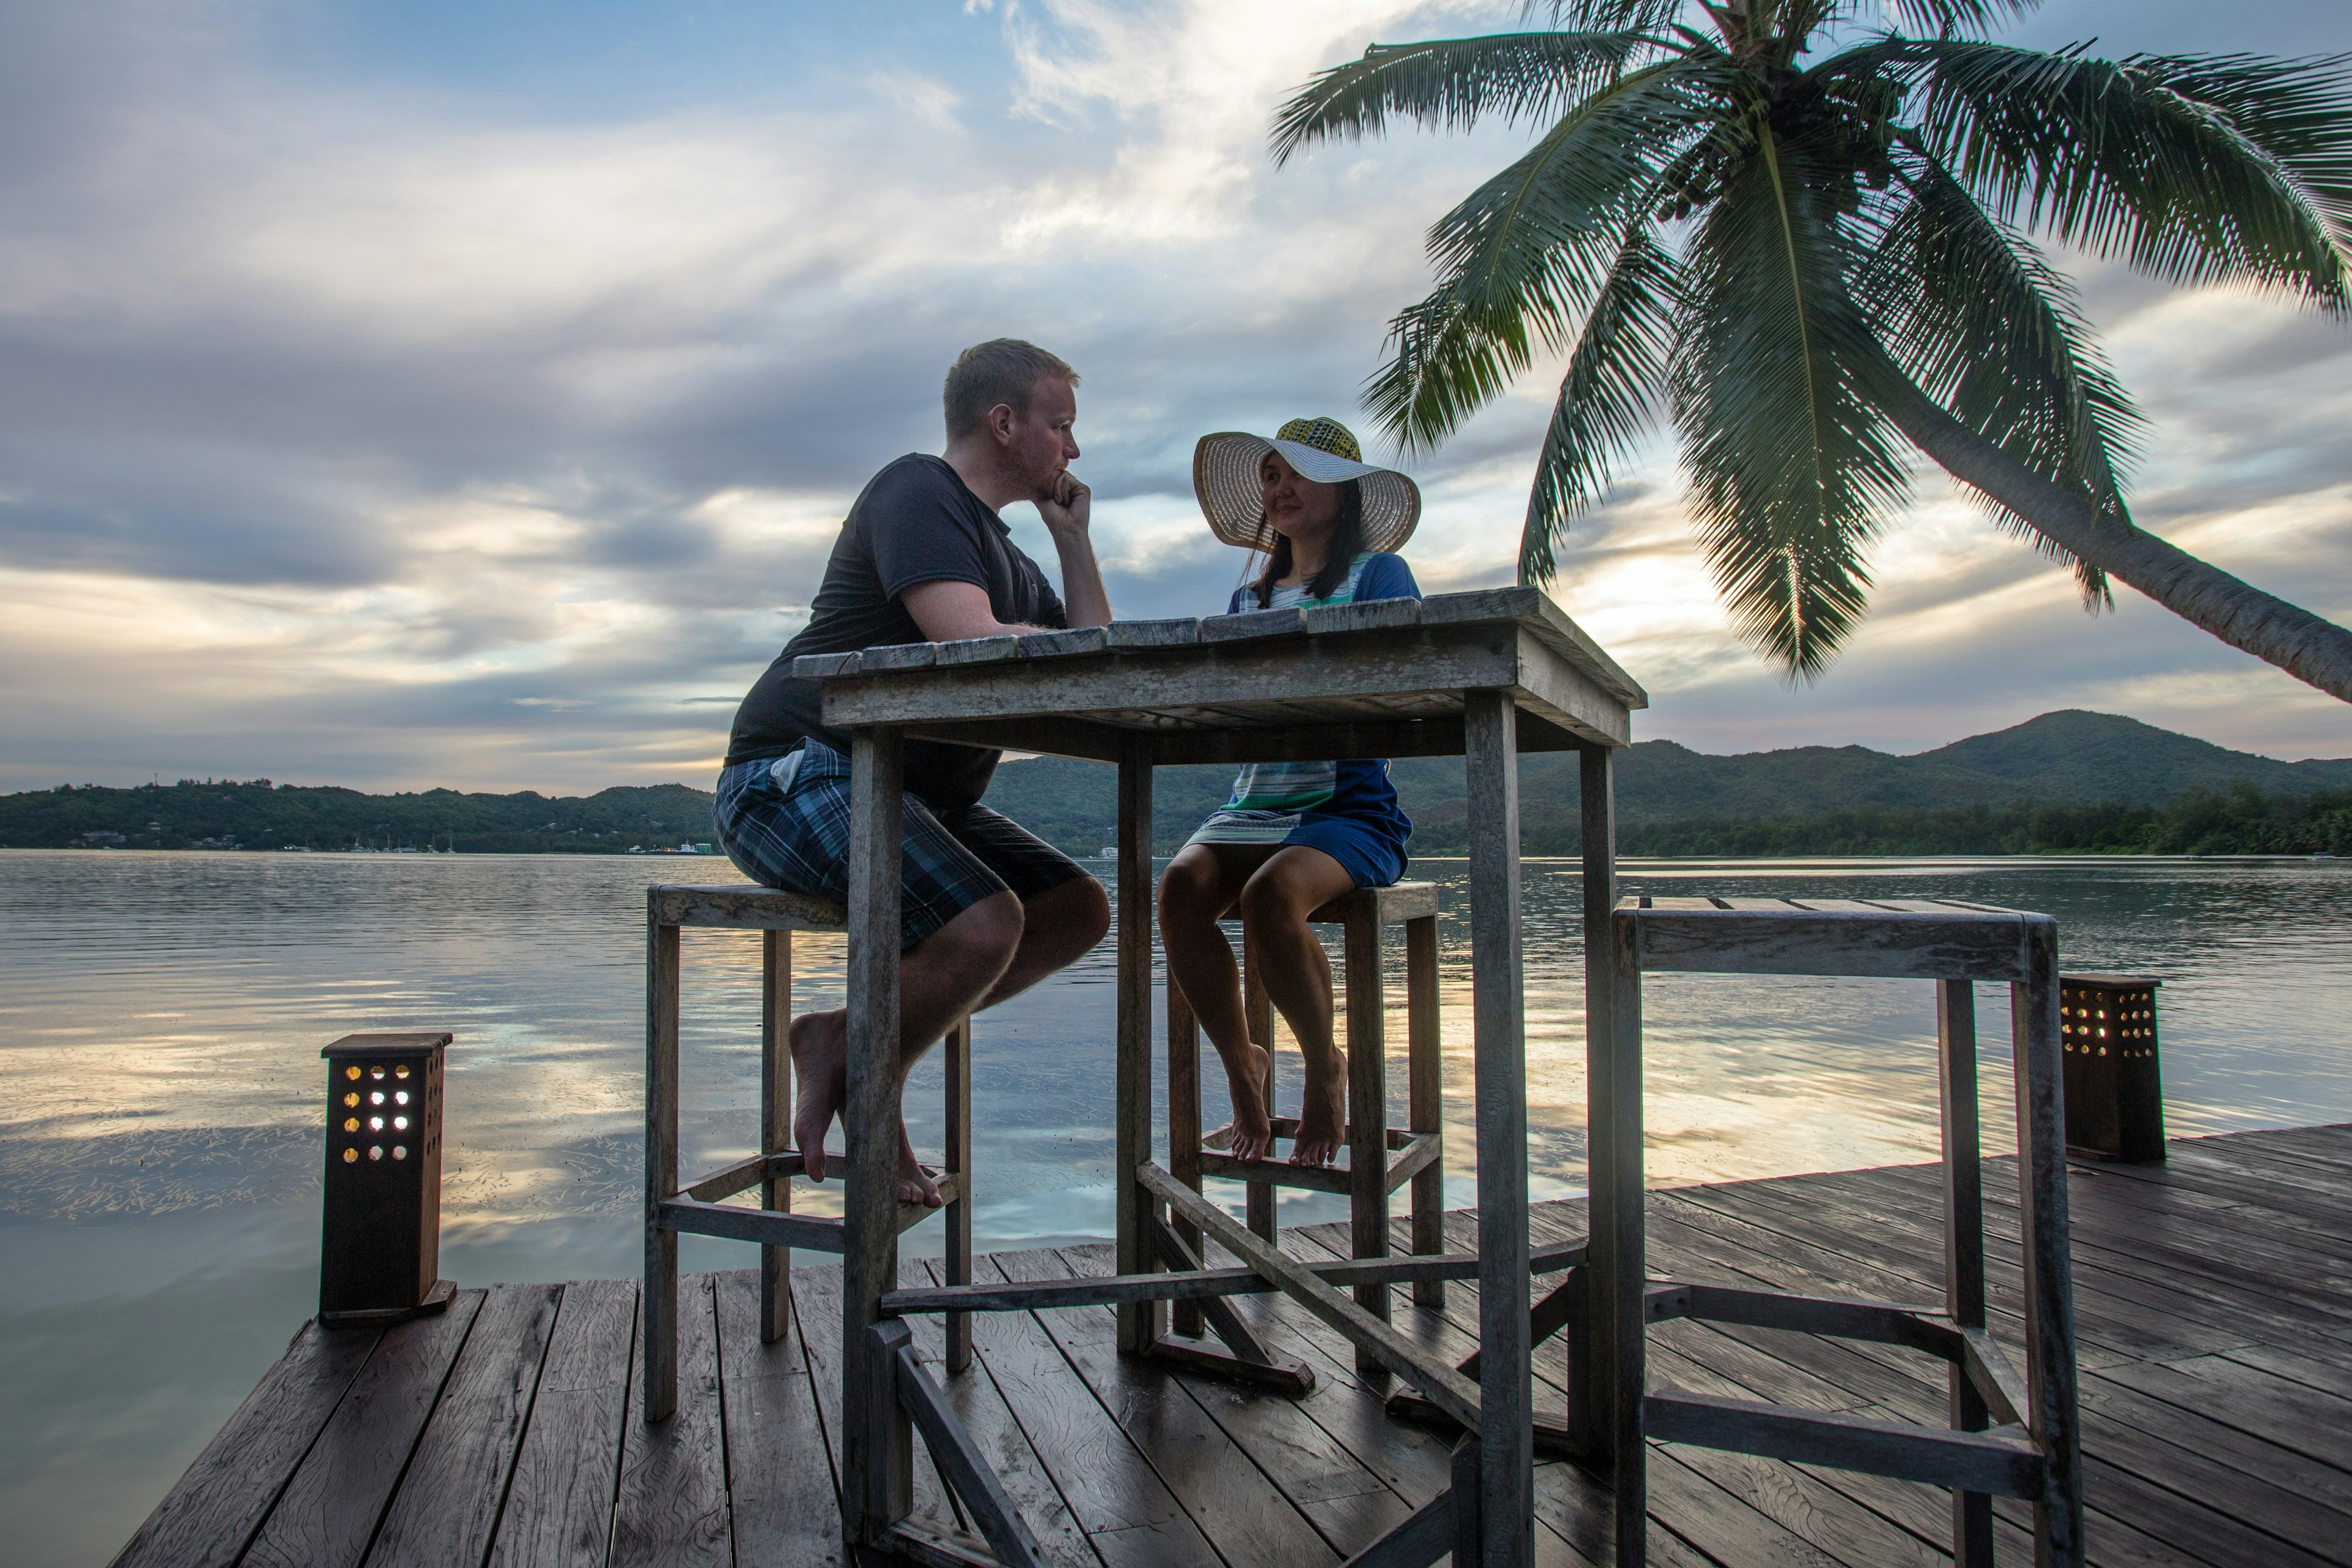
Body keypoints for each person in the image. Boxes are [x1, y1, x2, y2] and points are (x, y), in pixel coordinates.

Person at [715, 339, 1114, 1206]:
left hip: (910, 796)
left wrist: (1075, 542)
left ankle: (846, 1044)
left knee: (1076, 910)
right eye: (1061, 426)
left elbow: (1089, 658)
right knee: (981, 925)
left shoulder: (1013, 558)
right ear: (1003, 423)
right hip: (796, 769)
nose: (1072, 450)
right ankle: (865, 1071)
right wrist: (1055, 646)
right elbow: (967, 643)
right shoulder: (917, 490)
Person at [1156, 417, 1423, 1167]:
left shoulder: (1379, 576)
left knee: (1271, 897)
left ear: (1344, 492)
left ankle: (1322, 1066)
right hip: (1254, 803)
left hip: (1346, 808)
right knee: (1178, 888)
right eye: (1272, 474)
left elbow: (1400, 683)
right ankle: (1243, 1061)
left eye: (1298, 473)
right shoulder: (1250, 599)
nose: (1281, 488)